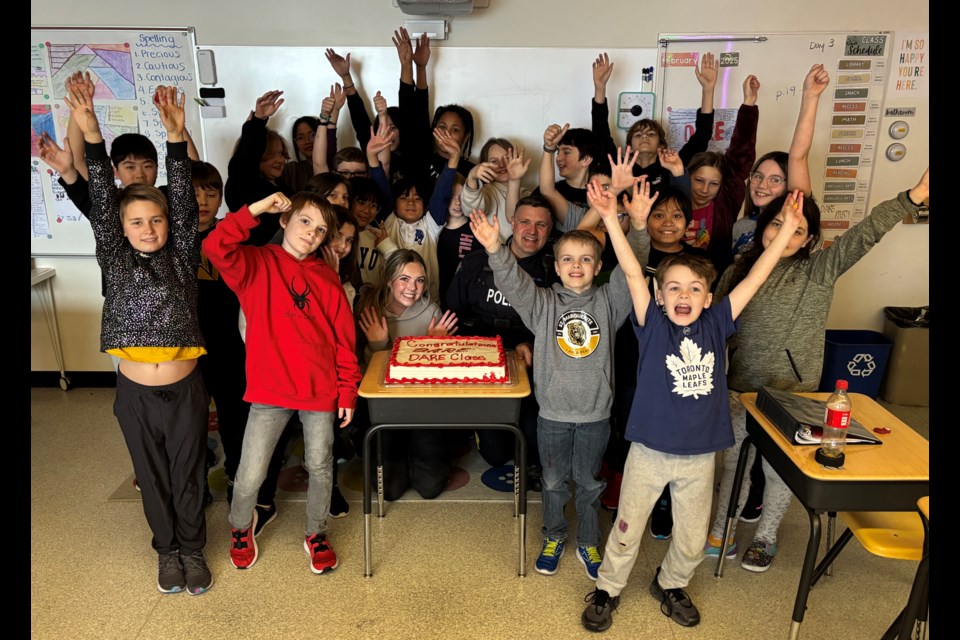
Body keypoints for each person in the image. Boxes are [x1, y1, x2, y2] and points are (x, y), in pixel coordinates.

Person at [579, 177, 806, 632]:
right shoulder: (652, 324)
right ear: (659, 297)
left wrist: (785, 232)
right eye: (675, 289)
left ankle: (672, 583)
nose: (685, 296)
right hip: (648, 450)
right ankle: (607, 588)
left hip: (701, 456)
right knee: (626, 529)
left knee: (689, 536)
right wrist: (608, 216)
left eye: (695, 289)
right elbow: (628, 271)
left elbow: (758, 274)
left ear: (709, 296)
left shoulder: (719, 322)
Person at [703, 168, 929, 573]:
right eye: (776, 223)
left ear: (808, 240)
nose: (783, 233)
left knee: (777, 473)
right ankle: (724, 527)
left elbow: (864, 234)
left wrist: (911, 198)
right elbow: (715, 331)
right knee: (733, 467)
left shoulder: (817, 271)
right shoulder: (736, 271)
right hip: (738, 392)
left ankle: (767, 535)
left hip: (793, 395)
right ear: (761, 227)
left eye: (795, 229)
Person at [69, 82, 213, 595]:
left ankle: (193, 550)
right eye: (137, 221)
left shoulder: (179, 254)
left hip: (186, 389)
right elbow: (103, 202)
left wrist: (175, 138)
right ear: (122, 229)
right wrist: (91, 133)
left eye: (156, 219)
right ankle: (167, 551)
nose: (148, 228)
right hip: (135, 394)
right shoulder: (115, 253)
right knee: (150, 477)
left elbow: (178, 190)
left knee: (188, 474)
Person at [469, 184, 636, 582]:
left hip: (596, 415)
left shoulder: (610, 302)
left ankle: (588, 541)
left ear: (598, 268)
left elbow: (633, 269)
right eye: (567, 260)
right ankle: (554, 535)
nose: (576, 266)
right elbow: (514, 284)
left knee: (591, 485)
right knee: (554, 481)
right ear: (556, 266)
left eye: (585, 260)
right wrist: (496, 249)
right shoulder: (542, 304)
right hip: (553, 416)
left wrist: (636, 227)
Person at [203, 190, 361, 575]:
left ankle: (316, 532)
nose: (311, 233)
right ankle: (241, 527)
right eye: (305, 221)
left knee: (321, 466)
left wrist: (347, 390)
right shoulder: (256, 263)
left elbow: (343, 339)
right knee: (250, 472)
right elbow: (215, 245)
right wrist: (256, 207)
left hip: (318, 390)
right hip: (270, 390)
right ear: (285, 221)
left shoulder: (328, 278)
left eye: (321, 230)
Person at [445, 196, 561, 493]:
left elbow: (559, 324)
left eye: (541, 224)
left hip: (530, 370)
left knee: (533, 439)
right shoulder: (475, 262)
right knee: (497, 455)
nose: (531, 231)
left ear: (550, 229)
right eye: (524, 222)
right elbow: (451, 314)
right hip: (482, 370)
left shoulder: (554, 270)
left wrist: (533, 344)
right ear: (512, 222)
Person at [355, 250, 459, 500]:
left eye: (420, 280)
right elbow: (362, 374)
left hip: (423, 407)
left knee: (430, 488)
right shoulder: (369, 307)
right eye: (404, 279)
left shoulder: (430, 310)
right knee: (388, 491)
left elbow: (442, 373)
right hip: (383, 408)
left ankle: (420, 449)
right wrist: (377, 346)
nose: (413, 288)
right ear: (389, 280)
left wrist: (437, 347)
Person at [192, 160, 253, 512]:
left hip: (231, 345)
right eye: (194, 192)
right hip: (187, 348)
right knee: (191, 420)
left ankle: (235, 478)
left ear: (220, 198)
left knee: (234, 418)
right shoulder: (171, 238)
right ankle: (195, 480)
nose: (202, 200)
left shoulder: (233, 235)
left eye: (211, 192)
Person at [591, 51, 716, 193]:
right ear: (629, 148)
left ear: (661, 145)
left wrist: (708, 90)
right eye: (638, 135)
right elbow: (600, 132)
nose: (644, 137)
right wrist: (600, 88)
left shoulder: (673, 166)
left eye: (651, 134)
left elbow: (702, 136)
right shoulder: (619, 165)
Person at [224, 89, 295, 246]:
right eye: (271, 154)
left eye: (282, 154)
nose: (280, 160)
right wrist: (258, 120)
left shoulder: (281, 185)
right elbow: (243, 162)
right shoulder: (243, 183)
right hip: (255, 260)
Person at [461, 138, 530, 242]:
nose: (501, 165)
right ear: (483, 165)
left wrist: (514, 179)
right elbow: (471, 209)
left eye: (506, 158)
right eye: (494, 161)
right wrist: (472, 177)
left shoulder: (527, 194)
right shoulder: (486, 193)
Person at [535, 126, 600, 211]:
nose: (558, 158)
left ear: (586, 159)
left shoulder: (600, 194)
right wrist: (549, 147)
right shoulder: (550, 189)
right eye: (558, 152)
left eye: (566, 152)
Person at [281, 115, 321, 192]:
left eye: (312, 135)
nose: (307, 141)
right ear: (295, 142)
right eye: (300, 137)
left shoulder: (335, 166)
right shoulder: (291, 171)